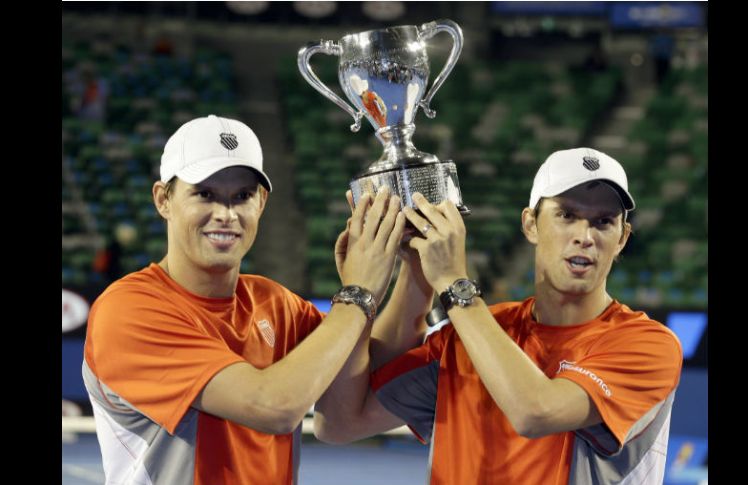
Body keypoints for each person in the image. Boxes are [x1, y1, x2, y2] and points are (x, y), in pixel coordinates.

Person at [317, 147, 683, 484]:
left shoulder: (648, 345)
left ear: (622, 238)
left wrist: (453, 283)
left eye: (603, 222)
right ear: (530, 225)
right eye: (567, 215)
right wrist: (402, 276)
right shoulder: (470, 336)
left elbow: (536, 412)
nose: (584, 236)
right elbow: (339, 423)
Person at [82, 114, 405, 484]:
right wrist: (356, 294)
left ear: (262, 202)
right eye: (204, 194)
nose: (226, 214)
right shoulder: (128, 310)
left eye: (242, 196)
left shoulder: (277, 303)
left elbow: (358, 394)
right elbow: (272, 405)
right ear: (163, 199)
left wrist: (415, 267)